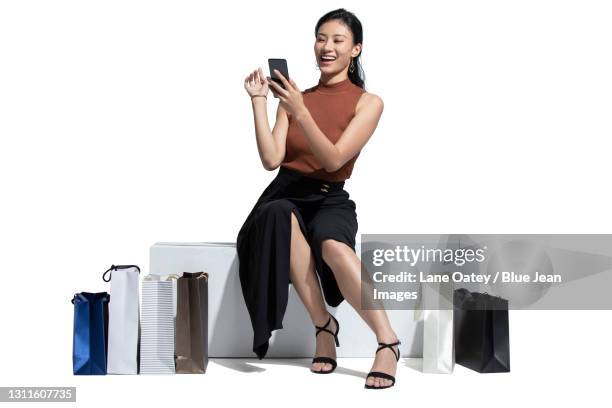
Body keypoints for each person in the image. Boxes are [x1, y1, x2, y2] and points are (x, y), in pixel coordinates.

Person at [236, 8, 400, 389]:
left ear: (355, 50)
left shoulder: (368, 102)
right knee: (277, 214)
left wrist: (300, 112)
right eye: (321, 38)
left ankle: (388, 342)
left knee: (334, 247)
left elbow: (334, 159)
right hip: (285, 193)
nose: (327, 47)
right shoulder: (295, 98)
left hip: (329, 198)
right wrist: (260, 101)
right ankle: (323, 326)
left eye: (337, 40)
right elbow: (271, 160)